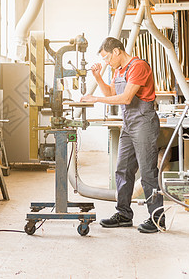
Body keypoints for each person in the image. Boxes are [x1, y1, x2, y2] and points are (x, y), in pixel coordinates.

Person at [81, 37, 164, 233]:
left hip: (143, 122)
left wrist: (95, 99)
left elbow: (126, 98)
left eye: (107, 58)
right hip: (128, 124)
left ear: (117, 51)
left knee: (147, 172)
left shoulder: (138, 66)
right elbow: (111, 92)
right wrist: (98, 78)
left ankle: (157, 219)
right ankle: (124, 214)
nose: (107, 62)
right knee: (123, 170)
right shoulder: (118, 70)